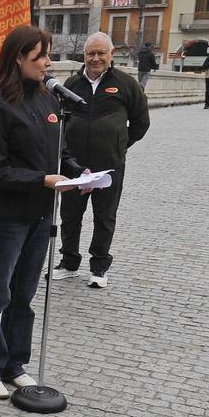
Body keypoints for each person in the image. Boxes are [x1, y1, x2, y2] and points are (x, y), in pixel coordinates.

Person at [0, 25, 84, 399]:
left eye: (48, 55)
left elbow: (58, 153)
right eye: (40, 56)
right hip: (6, 216)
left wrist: (78, 173)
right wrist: (42, 180)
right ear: (18, 58)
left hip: (41, 214)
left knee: (24, 295)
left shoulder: (49, 101)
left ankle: (14, 364)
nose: (48, 63)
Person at [51, 32, 149, 290]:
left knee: (104, 217)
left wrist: (119, 145)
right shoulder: (71, 84)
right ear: (83, 55)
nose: (95, 58)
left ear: (111, 54)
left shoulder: (126, 84)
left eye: (101, 53)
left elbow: (141, 122)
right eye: (90, 53)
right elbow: (60, 120)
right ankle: (69, 262)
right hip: (74, 164)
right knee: (70, 215)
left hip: (110, 165)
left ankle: (99, 267)